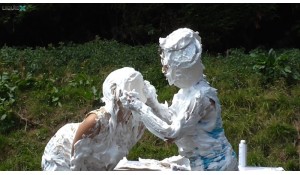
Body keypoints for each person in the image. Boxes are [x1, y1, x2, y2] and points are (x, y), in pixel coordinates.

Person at [120, 28, 238, 171]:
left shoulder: (201, 97)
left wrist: (139, 107)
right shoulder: (185, 93)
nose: (164, 72)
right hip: (199, 164)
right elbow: (171, 119)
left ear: (182, 68)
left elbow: (170, 134)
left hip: (218, 166)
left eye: (167, 67)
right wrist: (152, 103)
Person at [41, 67, 147, 171]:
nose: (131, 98)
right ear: (113, 93)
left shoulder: (138, 124)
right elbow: (76, 164)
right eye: (126, 94)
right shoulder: (96, 121)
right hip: (60, 155)